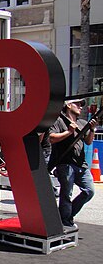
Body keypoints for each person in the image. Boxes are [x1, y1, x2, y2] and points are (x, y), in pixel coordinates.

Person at [49, 98, 97, 231]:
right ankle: (65, 221)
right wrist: (69, 132)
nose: (80, 107)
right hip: (65, 164)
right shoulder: (59, 121)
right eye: (78, 104)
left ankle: (68, 215)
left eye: (81, 105)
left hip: (82, 165)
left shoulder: (81, 122)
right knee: (66, 194)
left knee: (89, 191)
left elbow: (88, 141)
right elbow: (51, 138)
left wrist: (92, 129)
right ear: (68, 105)